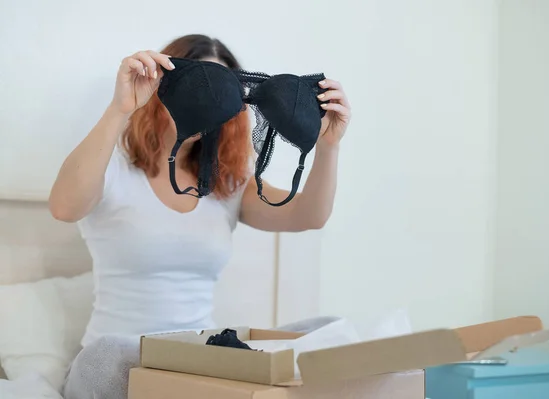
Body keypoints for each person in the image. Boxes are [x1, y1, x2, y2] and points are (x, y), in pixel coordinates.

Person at [49, 34, 351, 399]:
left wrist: (328, 146)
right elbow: (64, 207)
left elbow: (309, 215)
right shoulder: (112, 170)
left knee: (330, 330)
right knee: (110, 355)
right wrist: (121, 108)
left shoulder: (228, 184)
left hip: (195, 363)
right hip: (117, 364)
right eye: (201, 87)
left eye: (222, 93)